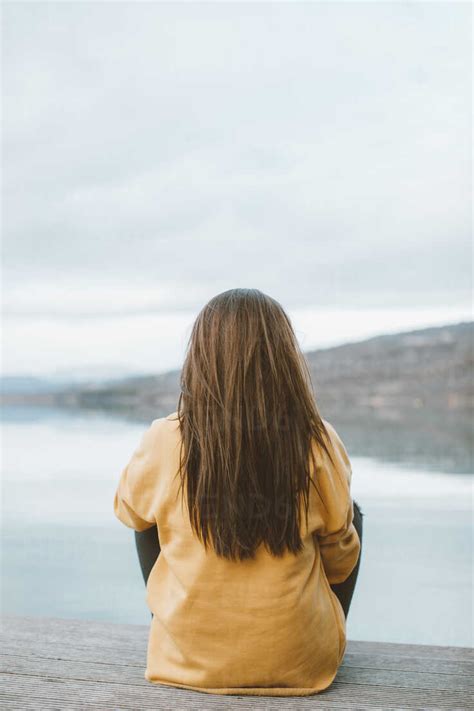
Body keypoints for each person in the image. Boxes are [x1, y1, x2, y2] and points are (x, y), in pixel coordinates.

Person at [113, 288, 363, 697]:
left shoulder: (164, 438)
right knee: (351, 513)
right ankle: (316, 640)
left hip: (184, 662)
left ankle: (178, 629)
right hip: (302, 665)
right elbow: (339, 561)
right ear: (284, 358)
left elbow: (129, 512)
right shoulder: (318, 440)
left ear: (200, 356)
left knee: (146, 517)